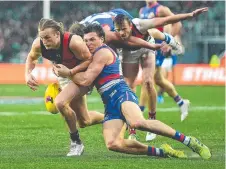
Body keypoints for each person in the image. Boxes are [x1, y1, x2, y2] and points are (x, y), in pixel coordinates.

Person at [53, 23, 211, 160]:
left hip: (121, 93)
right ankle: (162, 152)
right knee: (113, 144)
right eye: (86, 40)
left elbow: (86, 80)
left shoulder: (102, 53)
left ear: (101, 39)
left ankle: (189, 141)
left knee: (137, 122)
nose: (88, 43)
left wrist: (68, 72)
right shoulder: (89, 57)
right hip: (109, 103)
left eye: (92, 39)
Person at [114, 7, 208, 140]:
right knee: (128, 88)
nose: (121, 33)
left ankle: (152, 121)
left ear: (130, 25)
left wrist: (190, 14)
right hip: (130, 54)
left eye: (124, 29)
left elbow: (165, 20)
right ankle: (132, 130)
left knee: (148, 81)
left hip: (147, 48)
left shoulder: (141, 22)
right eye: (118, 30)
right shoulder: (115, 35)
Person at [25, 18, 105, 157]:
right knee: (84, 121)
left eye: (47, 37)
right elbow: (31, 58)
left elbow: (89, 60)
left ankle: (76, 143)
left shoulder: (73, 42)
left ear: (57, 34)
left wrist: (70, 72)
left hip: (81, 74)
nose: (44, 41)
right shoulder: (39, 44)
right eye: (42, 37)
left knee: (60, 102)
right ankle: (112, 117)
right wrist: (27, 74)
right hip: (64, 75)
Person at [139, 0, 190, 128]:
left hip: (158, 47)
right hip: (148, 45)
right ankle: (181, 102)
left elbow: (177, 23)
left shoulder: (161, 9)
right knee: (158, 79)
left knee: (147, 79)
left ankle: (139, 112)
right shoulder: (142, 10)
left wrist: (168, 40)